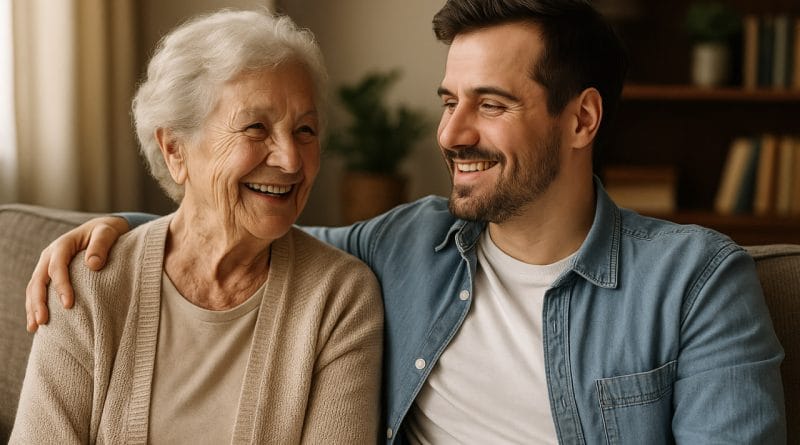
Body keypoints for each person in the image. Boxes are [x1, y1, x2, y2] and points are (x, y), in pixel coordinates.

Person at [25, 0, 785, 443]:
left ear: (581, 118)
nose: (452, 134)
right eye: (449, 102)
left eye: (490, 104)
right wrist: (115, 231)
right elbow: (239, 233)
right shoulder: (406, 244)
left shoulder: (694, 282)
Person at [12, 9, 383, 444]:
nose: (290, 160)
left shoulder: (338, 297)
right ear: (174, 149)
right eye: (256, 127)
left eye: (305, 130)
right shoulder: (89, 283)